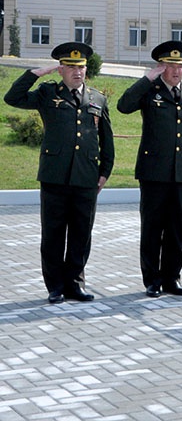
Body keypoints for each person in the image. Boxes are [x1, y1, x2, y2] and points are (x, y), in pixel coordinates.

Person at [4, 42, 114, 304]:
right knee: (53, 234)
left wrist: (104, 172)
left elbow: (106, 139)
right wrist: (36, 73)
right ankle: (54, 286)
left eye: (82, 68)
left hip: (86, 177)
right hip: (55, 176)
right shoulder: (47, 93)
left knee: (81, 234)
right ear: (61, 70)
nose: (78, 73)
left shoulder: (97, 99)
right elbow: (13, 98)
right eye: (72, 68)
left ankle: (75, 284)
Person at [117, 40, 182, 298]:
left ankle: (172, 277)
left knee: (177, 227)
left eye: (180, 65)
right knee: (152, 227)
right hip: (154, 171)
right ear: (160, 67)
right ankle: (152, 279)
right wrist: (147, 79)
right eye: (170, 65)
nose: (177, 70)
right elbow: (123, 106)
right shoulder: (150, 90)